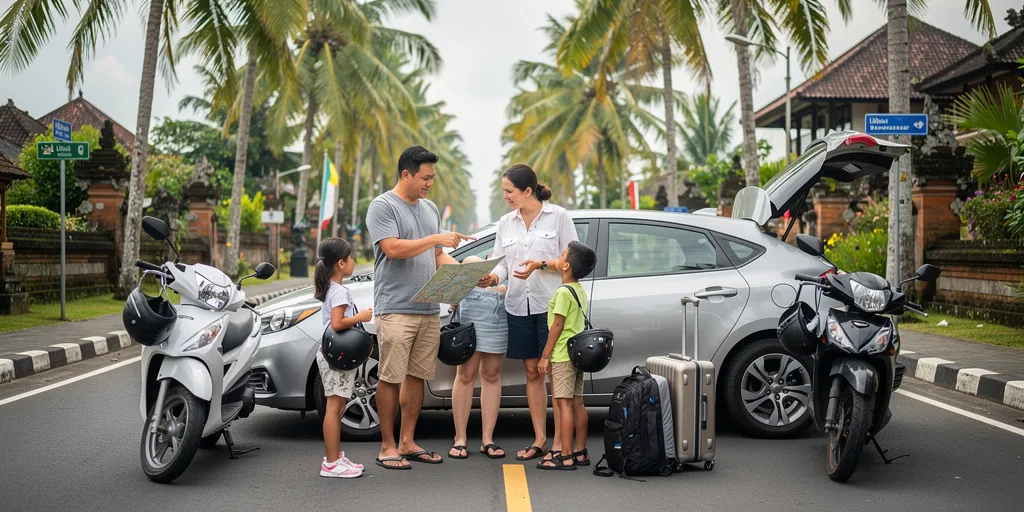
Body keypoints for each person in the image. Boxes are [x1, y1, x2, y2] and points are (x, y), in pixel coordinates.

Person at [366, 145, 473, 470]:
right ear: (406, 174)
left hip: (428, 309)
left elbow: (436, 256)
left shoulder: (429, 209)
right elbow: (394, 249)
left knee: (416, 378)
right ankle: (387, 446)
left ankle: (408, 442)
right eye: (424, 178)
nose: (429, 183)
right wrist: (436, 239)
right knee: (390, 377)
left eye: (432, 178)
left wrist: (465, 276)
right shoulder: (382, 206)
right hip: (395, 307)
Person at [477, 164, 578, 462]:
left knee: (557, 374)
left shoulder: (558, 216)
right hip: (519, 306)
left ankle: (562, 444)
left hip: (552, 306)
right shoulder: (506, 223)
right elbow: (502, 263)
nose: (505, 196)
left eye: (509, 191)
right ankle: (540, 440)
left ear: (528, 191)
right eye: (504, 191)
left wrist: (539, 265)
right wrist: (493, 278)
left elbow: (570, 261)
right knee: (532, 372)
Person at [536, 242, 597, 470]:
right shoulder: (579, 290)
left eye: (562, 255)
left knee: (563, 405)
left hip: (562, 354)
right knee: (577, 403)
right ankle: (581, 452)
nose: (558, 257)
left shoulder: (563, 292)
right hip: (577, 354)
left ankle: (565, 455)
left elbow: (557, 325)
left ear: (566, 266)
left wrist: (545, 355)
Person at [313, 237, 370, 478]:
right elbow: (337, 324)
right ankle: (331, 464)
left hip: (332, 354)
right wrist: (362, 317)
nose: (354, 261)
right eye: (351, 257)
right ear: (340, 263)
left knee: (337, 407)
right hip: (336, 356)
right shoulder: (340, 293)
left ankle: (335, 458)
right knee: (334, 410)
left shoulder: (332, 289)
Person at [448, 256, 508, 460]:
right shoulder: (504, 231)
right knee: (466, 375)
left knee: (492, 375)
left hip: (499, 309)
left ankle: (487, 439)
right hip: (472, 307)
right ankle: (460, 438)